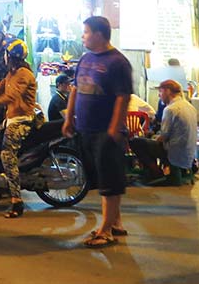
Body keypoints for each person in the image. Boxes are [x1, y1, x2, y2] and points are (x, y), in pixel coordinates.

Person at [62, 16, 132, 248]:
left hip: (106, 131)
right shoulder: (85, 58)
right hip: (86, 128)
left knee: (108, 182)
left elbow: (123, 96)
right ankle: (116, 222)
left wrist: (114, 127)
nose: (83, 36)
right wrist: (69, 116)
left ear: (99, 34)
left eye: (86, 32)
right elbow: (75, 88)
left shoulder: (118, 62)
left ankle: (105, 231)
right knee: (103, 178)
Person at [0, 39, 42, 218]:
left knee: (7, 155)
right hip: (10, 120)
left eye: (5, 53)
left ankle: (16, 201)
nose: (3, 56)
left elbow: (10, 96)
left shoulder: (23, 74)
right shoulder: (11, 74)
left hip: (22, 121)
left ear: (10, 56)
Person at [128, 80, 197, 185]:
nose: (159, 96)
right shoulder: (189, 107)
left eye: (160, 92)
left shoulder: (170, 109)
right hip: (188, 152)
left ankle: (155, 172)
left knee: (135, 142)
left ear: (167, 91)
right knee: (148, 142)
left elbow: (163, 137)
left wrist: (152, 139)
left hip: (174, 152)